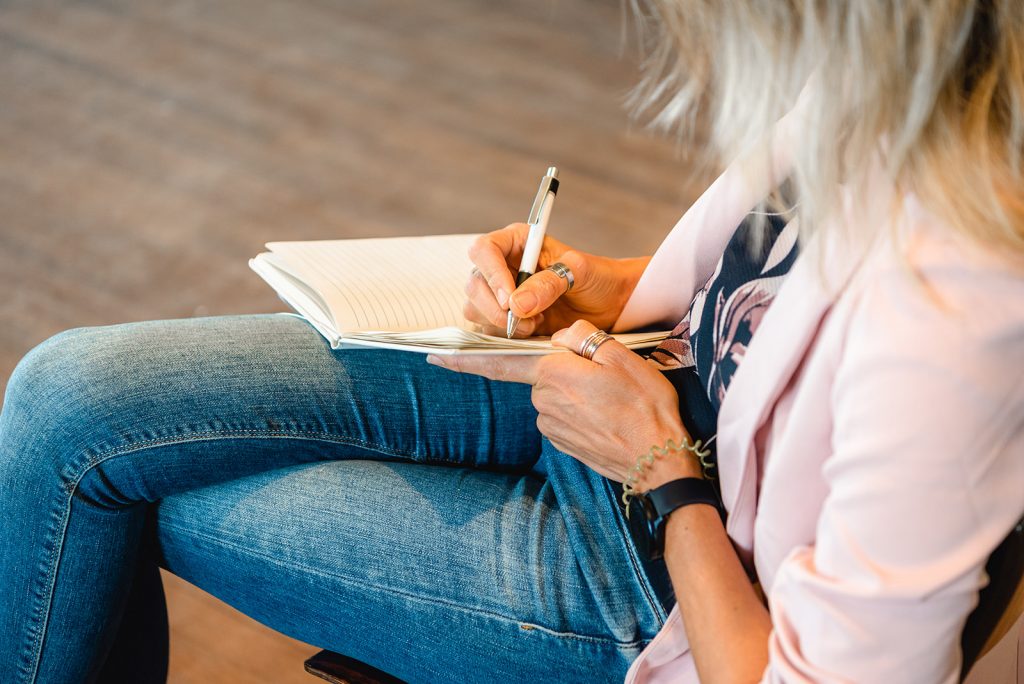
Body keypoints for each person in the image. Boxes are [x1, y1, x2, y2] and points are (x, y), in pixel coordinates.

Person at [2, 1, 1023, 682]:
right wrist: (596, 282)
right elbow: (750, 290)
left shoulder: (960, 308)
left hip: (654, 575)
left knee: (119, 495)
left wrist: (664, 472)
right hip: (620, 390)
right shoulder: (881, 91)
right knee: (63, 399)